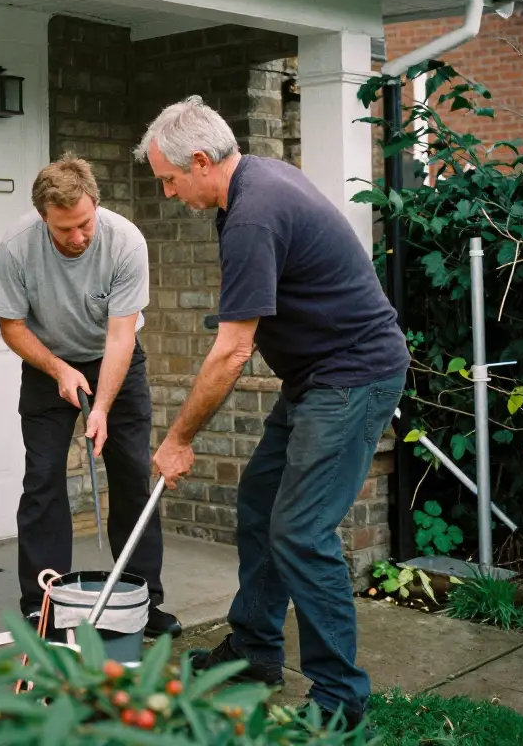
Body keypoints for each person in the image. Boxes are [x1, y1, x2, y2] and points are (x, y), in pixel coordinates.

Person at [135, 96, 410, 729]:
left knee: (301, 531)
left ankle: (341, 702)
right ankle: (255, 650)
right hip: (319, 379)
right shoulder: (251, 186)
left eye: (170, 180)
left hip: (351, 379)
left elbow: (232, 352)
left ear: (201, 161)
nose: (170, 194)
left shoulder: (253, 214)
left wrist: (178, 439)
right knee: (261, 501)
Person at [0, 152, 180, 638]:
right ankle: (43, 604)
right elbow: (11, 325)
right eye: (63, 230)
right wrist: (57, 368)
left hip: (117, 360)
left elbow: (120, 337)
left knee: (133, 475)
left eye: (84, 224)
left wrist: (103, 407)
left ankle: (142, 599)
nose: (77, 238)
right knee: (43, 479)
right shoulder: (17, 247)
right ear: (43, 218)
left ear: (96, 204)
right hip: (48, 361)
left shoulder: (124, 241)